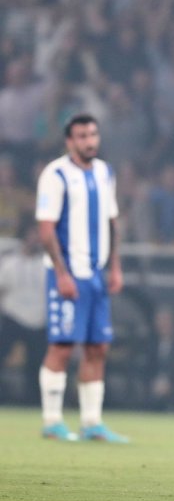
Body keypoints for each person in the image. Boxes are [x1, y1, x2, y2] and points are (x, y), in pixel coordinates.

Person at [35, 114, 128, 442]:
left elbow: (113, 222)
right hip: (67, 274)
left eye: (93, 135)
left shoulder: (105, 172)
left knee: (97, 347)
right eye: (82, 136)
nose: (89, 141)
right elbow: (46, 229)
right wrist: (61, 274)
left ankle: (92, 422)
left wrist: (114, 266)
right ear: (69, 141)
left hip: (96, 275)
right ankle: (52, 421)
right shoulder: (56, 174)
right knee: (62, 346)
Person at [0, 218, 47, 406]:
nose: (35, 238)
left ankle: (33, 401)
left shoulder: (46, 265)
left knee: (37, 363)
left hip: (39, 319)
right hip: (12, 316)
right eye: (32, 234)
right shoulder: (10, 263)